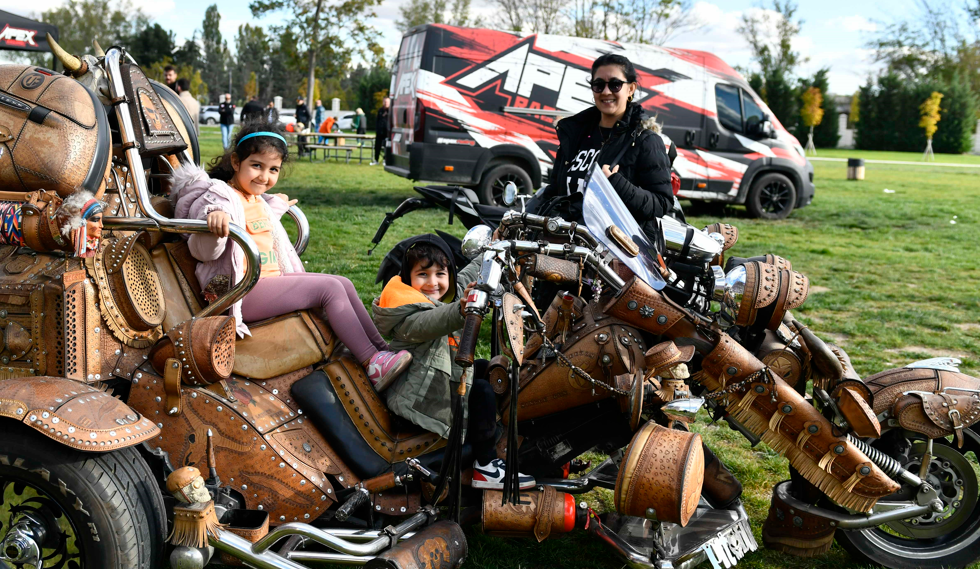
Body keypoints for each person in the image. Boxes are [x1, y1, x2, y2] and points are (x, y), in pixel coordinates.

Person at [171, 122, 413, 391]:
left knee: (342, 281)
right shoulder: (219, 197)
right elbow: (203, 251)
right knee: (329, 288)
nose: (264, 177)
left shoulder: (254, 198)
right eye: (257, 165)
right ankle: (372, 362)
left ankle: (382, 351)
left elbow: (257, 225)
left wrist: (276, 205)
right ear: (236, 162)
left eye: (273, 169)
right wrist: (213, 226)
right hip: (236, 293)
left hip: (262, 284)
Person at [373, 236, 535, 490]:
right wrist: (462, 310)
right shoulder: (407, 315)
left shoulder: (443, 295)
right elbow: (438, 319)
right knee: (481, 391)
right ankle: (486, 466)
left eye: (440, 273)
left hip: (432, 384)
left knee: (487, 369)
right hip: (417, 404)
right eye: (423, 275)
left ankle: (502, 436)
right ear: (407, 279)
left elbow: (469, 273)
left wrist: (496, 248)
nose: (433, 282)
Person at [534, 52, 673, 230]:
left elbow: (661, 204)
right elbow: (553, 193)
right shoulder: (574, 135)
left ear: (631, 89)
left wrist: (616, 183)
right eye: (599, 85)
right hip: (564, 243)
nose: (606, 92)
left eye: (615, 85)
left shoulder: (646, 141)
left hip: (612, 251)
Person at [373, 96, 391, 165]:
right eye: (384, 102)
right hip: (379, 132)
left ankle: (385, 160)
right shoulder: (380, 110)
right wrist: (377, 129)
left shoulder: (391, 111)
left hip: (387, 132)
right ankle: (376, 160)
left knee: (386, 147)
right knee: (377, 146)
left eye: (387, 102)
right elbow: (377, 120)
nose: (385, 103)